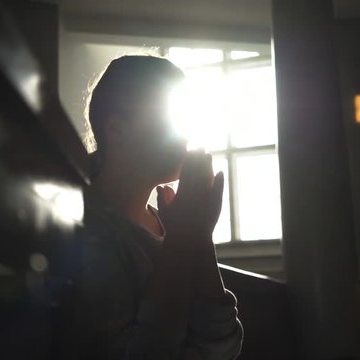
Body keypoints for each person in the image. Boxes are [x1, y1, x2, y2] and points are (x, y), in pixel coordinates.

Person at [74, 55, 243, 359]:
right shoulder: (86, 229)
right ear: (116, 130)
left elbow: (224, 347)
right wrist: (184, 235)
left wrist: (199, 237)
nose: (185, 133)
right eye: (170, 118)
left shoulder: (167, 220)